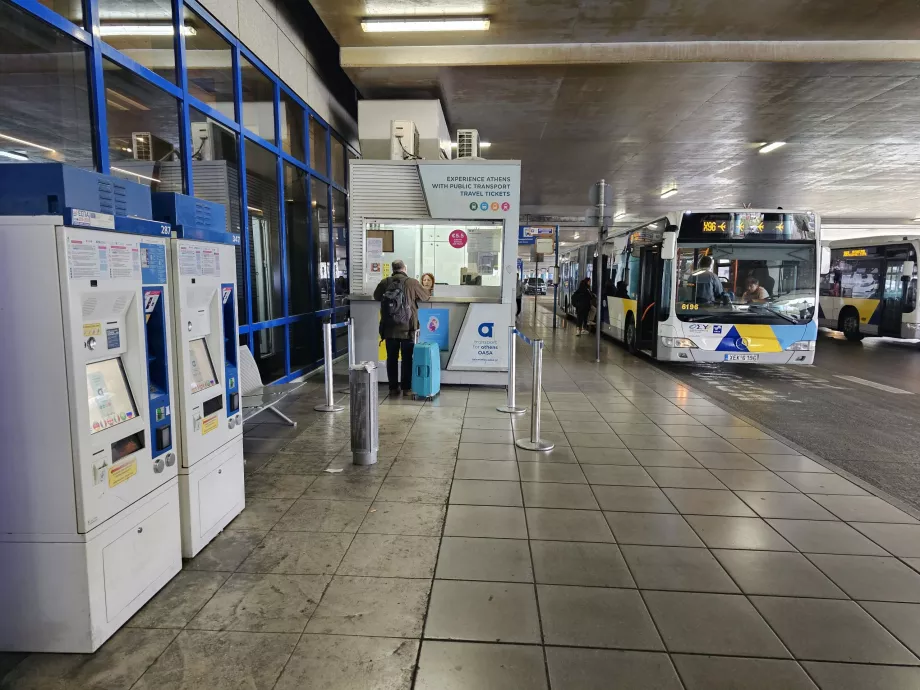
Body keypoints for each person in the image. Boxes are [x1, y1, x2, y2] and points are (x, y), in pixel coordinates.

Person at [374, 260, 431, 393]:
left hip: (389, 328)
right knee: (407, 358)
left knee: (391, 358)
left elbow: (376, 296)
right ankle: (406, 388)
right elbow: (425, 297)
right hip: (408, 328)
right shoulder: (412, 282)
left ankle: (393, 388)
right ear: (405, 268)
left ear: (393, 269)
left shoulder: (385, 282)